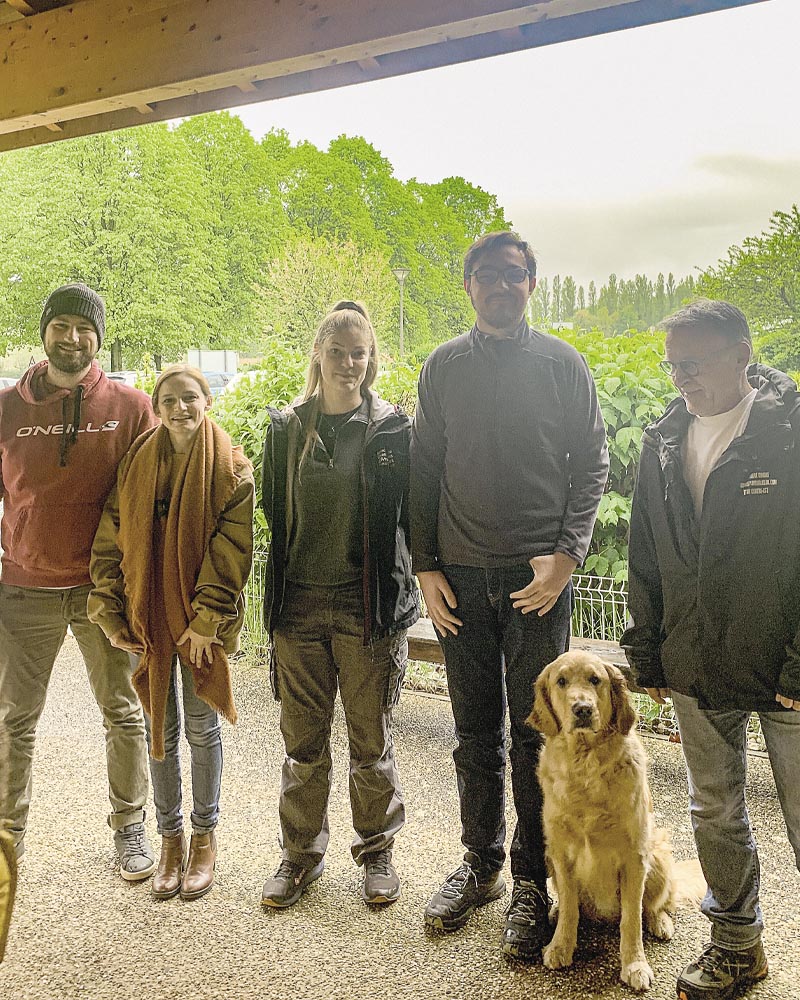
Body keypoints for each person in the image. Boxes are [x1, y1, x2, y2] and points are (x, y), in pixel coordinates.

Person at [410, 231, 608, 956]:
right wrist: (426, 565)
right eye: (487, 275)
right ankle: (481, 864)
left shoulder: (562, 365)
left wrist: (565, 558)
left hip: (538, 587)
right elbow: (423, 469)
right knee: (473, 736)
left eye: (514, 275)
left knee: (538, 736)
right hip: (459, 581)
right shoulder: (443, 366)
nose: (501, 285)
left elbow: (592, 463)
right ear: (469, 286)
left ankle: (532, 879)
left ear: (532, 284)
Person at [621, 299, 800, 1000]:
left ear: (741, 355)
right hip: (695, 666)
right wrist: (648, 653)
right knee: (716, 811)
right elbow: (645, 555)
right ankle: (736, 948)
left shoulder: (789, 433)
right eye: (672, 366)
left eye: (690, 364)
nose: (679, 379)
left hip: (783, 671)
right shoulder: (664, 440)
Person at [260, 300, 419, 909]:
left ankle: (377, 851)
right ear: (318, 356)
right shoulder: (287, 428)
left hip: (366, 612)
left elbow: (408, 519)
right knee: (302, 744)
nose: (349, 363)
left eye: (359, 353)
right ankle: (300, 857)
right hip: (298, 610)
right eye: (338, 352)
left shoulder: (390, 431)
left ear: (370, 359)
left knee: (369, 742)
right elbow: (275, 514)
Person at [0, 282, 157, 880]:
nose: (72, 338)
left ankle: (130, 827)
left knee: (123, 711)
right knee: (14, 718)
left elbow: (153, 497)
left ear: (99, 336)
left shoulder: (131, 407)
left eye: (83, 328)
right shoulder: (7, 408)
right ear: (45, 332)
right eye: (60, 325)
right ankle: (8, 833)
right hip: (23, 589)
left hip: (103, 592)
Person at [89, 365, 254, 901]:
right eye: (168, 401)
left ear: (207, 400)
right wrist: (112, 612)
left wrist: (207, 620)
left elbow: (231, 551)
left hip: (199, 625)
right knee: (158, 728)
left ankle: (205, 837)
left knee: (202, 730)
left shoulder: (230, 466)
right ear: (156, 407)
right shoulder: (137, 460)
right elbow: (112, 539)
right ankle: (170, 838)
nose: (179, 408)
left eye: (189, 398)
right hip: (149, 618)